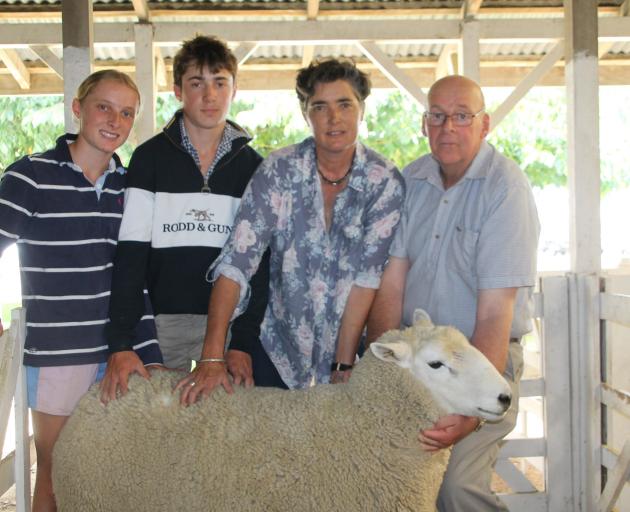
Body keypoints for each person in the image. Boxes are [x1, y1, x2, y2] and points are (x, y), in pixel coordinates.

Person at [176, 58, 405, 403]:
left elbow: (367, 279)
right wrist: (212, 357)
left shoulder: (384, 182)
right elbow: (237, 263)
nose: (334, 118)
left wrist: (343, 364)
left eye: (345, 104)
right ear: (305, 114)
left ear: (362, 110)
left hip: (348, 348)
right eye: (320, 106)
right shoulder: (278, 171)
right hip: (274, 347)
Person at [366, 75, 540, 511]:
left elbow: (496, 312)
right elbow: (393, 279)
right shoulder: (411, 181)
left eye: (462, 116)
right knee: (383, 478)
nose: (448, 128)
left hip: (479, 360)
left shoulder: (506, 190)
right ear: (424, 124)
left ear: (485, 125)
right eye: (438, 116)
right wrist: (384, 371)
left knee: (454, 486)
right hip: (420, 361)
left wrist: (467, 412)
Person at [0, 69, 161, 512]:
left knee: (116, 474)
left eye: (126, 112)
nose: (115, 120)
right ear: (78, 109)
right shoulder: (30, 176)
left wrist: (148, 351)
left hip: (120, 351)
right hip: (58, 353)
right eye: (103, 107)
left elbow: (138, 276)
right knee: (55, 471)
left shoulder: (131, 188)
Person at [101, 35, 268, 402]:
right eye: (196, 83)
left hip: (227, 327)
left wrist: (243, 341)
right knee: (159, 431)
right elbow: (130, 255)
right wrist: (122, 341)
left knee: (226, 436)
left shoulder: (256, 168)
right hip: (163, 325)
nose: (209, 95)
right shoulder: (149, 159)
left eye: (220, 82)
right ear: (177, 90)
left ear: (234, 89)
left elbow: (261, 265)